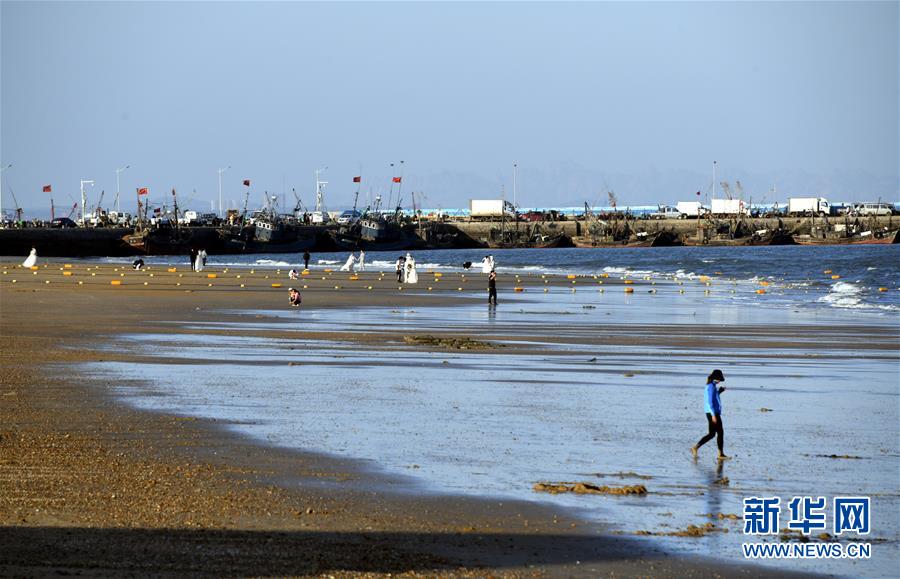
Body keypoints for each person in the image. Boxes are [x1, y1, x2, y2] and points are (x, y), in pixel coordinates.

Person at [691, 369, 729, 460]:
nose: (720, 381)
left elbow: (714, 398)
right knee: (720, 432)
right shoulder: (710, 387)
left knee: (712, 434)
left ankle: (696, 447)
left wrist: (719, 392)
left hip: (711, 412)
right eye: (719, 379)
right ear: (716, 378)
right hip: (712, 412)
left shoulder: (712, 386)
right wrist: (713, 415)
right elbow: (709, 402)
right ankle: (720, 454)